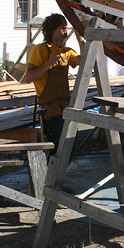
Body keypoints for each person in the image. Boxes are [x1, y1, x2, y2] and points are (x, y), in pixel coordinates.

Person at [25, 13, 84, 152]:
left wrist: (80, 39)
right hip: (50, 111)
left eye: (66, 27)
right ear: (52, 30)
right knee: (56, 151)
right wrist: (48, 64)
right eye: (62, 28)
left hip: (65, 108)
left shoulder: (67, 52)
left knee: (70, 149)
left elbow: (84, 60)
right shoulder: (40, 50)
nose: (66, 30)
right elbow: (28, 77)